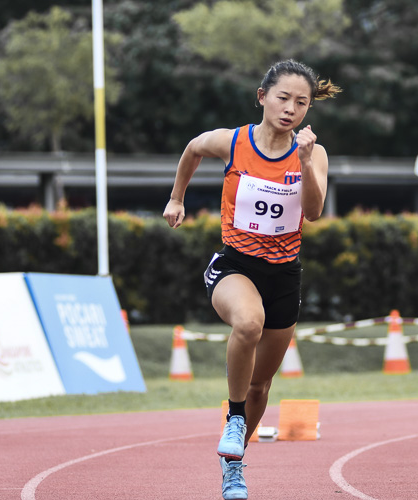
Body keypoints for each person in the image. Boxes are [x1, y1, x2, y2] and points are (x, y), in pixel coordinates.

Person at [163, 59, 341, 500]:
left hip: (285, 275)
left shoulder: (312, 152)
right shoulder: (233, 142)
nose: (291, 110)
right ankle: (235, 415)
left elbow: (314, 212)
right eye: (283, 98)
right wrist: (175, 197)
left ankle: (233, 468)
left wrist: (302, 162)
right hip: (235, 265)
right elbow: (192, 148)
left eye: (301, 103)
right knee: (248, 322)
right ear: (262, 97)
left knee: (263, 383)